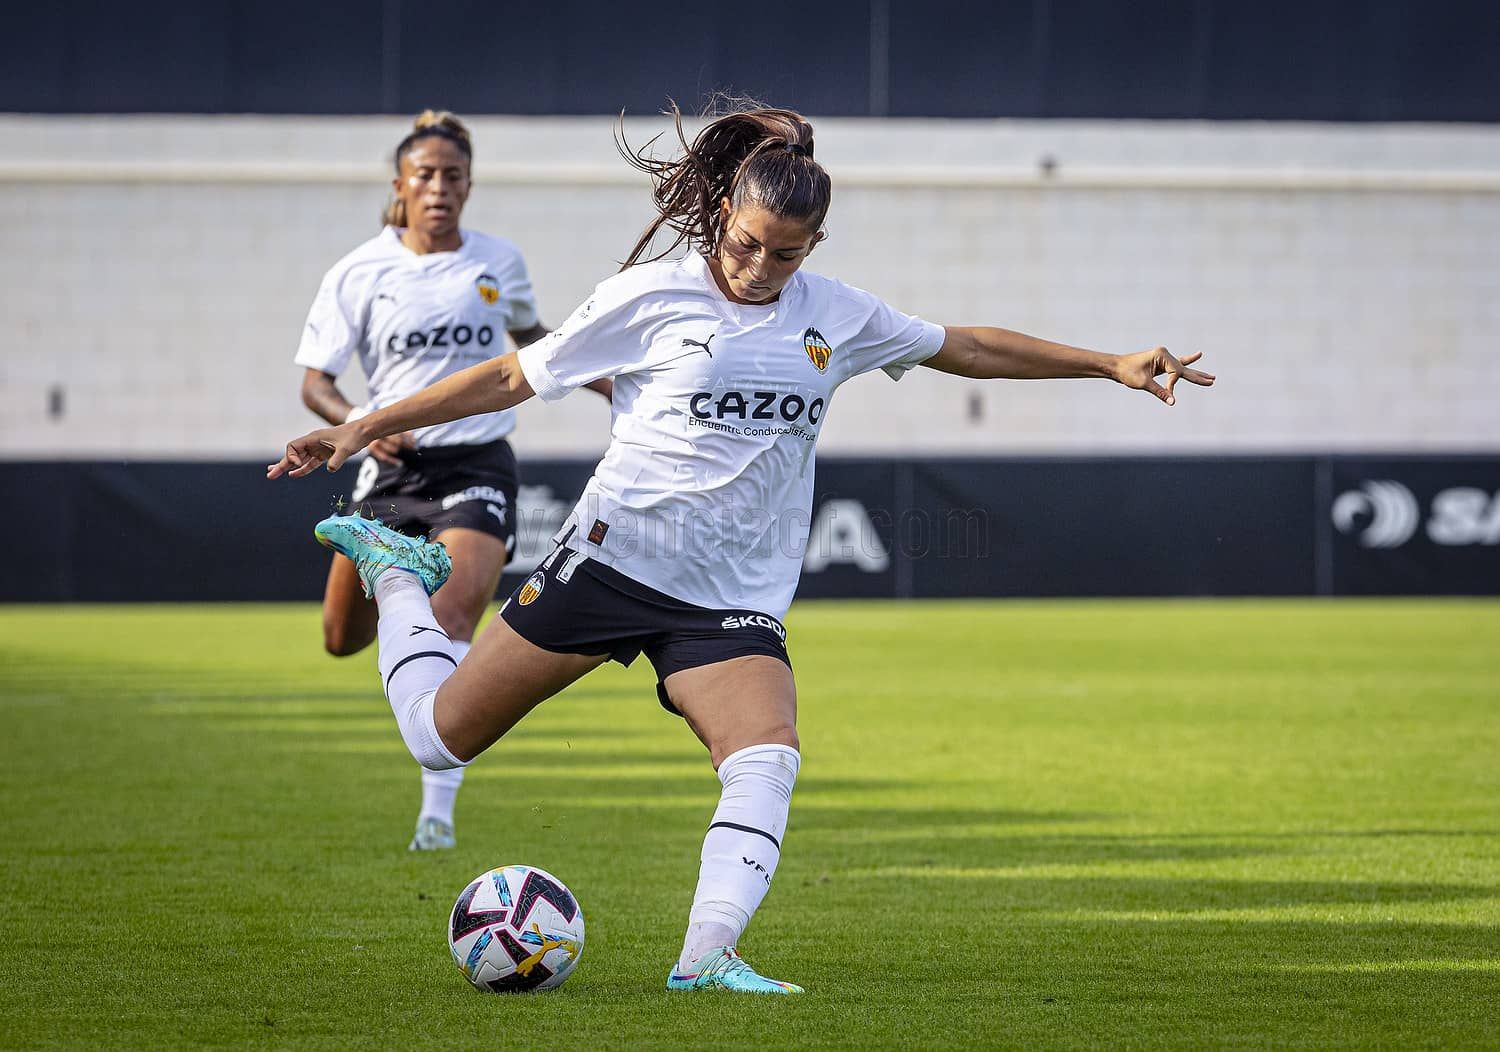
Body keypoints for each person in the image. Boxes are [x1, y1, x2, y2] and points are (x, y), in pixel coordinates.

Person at [270, 102, 1214, 993]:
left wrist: (1109, 363)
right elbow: (513, 376)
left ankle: (706, 957)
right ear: (722, 211)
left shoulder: (837, 315)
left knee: (767, 755)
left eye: (786, 253)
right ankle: (396, 573)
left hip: (729, 600)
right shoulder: (650, 295)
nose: (760, 266)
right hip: (608, 565)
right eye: (747, 242)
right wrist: (363, 426)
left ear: (815, 245)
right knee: (437, 741)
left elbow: (965, 347)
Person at [293, 109, 609, 852]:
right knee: (341, 638)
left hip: (477, 462)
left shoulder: (498, 262)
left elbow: (535, 345)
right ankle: (393, 562)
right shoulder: (358, 272)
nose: (439, 188)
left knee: (455, 613)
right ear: (400, 184)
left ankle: (435, 814)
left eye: (453, 176)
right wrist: (361, 419)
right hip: (392, 471)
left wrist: (614, 383)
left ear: (469, 186)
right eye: (425, 175)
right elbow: (315, 383)